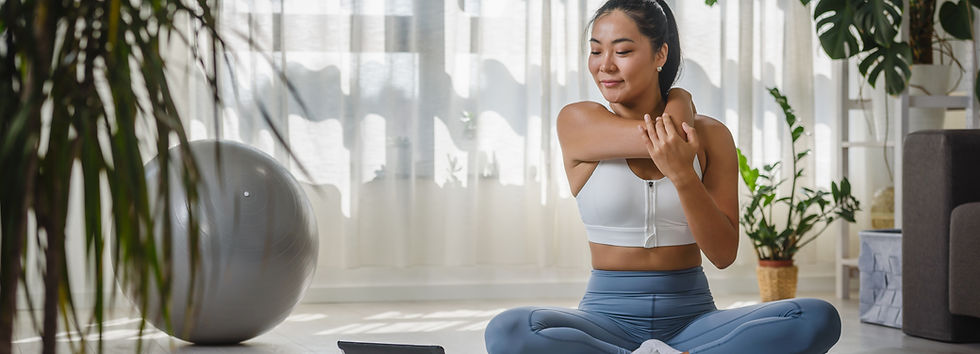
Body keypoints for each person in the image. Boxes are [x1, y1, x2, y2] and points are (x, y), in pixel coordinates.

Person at [483, 1, 842, 353]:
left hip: (694, 321)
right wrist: (681, 100)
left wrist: (684, 174)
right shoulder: (578, 121)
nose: (604, 65)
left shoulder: (713, 137)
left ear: (660, 55)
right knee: (510, 330)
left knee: (816, 317)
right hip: (605, 321)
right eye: (595, 51)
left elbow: (721, 254)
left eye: (622, 50)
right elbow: (662, 135)